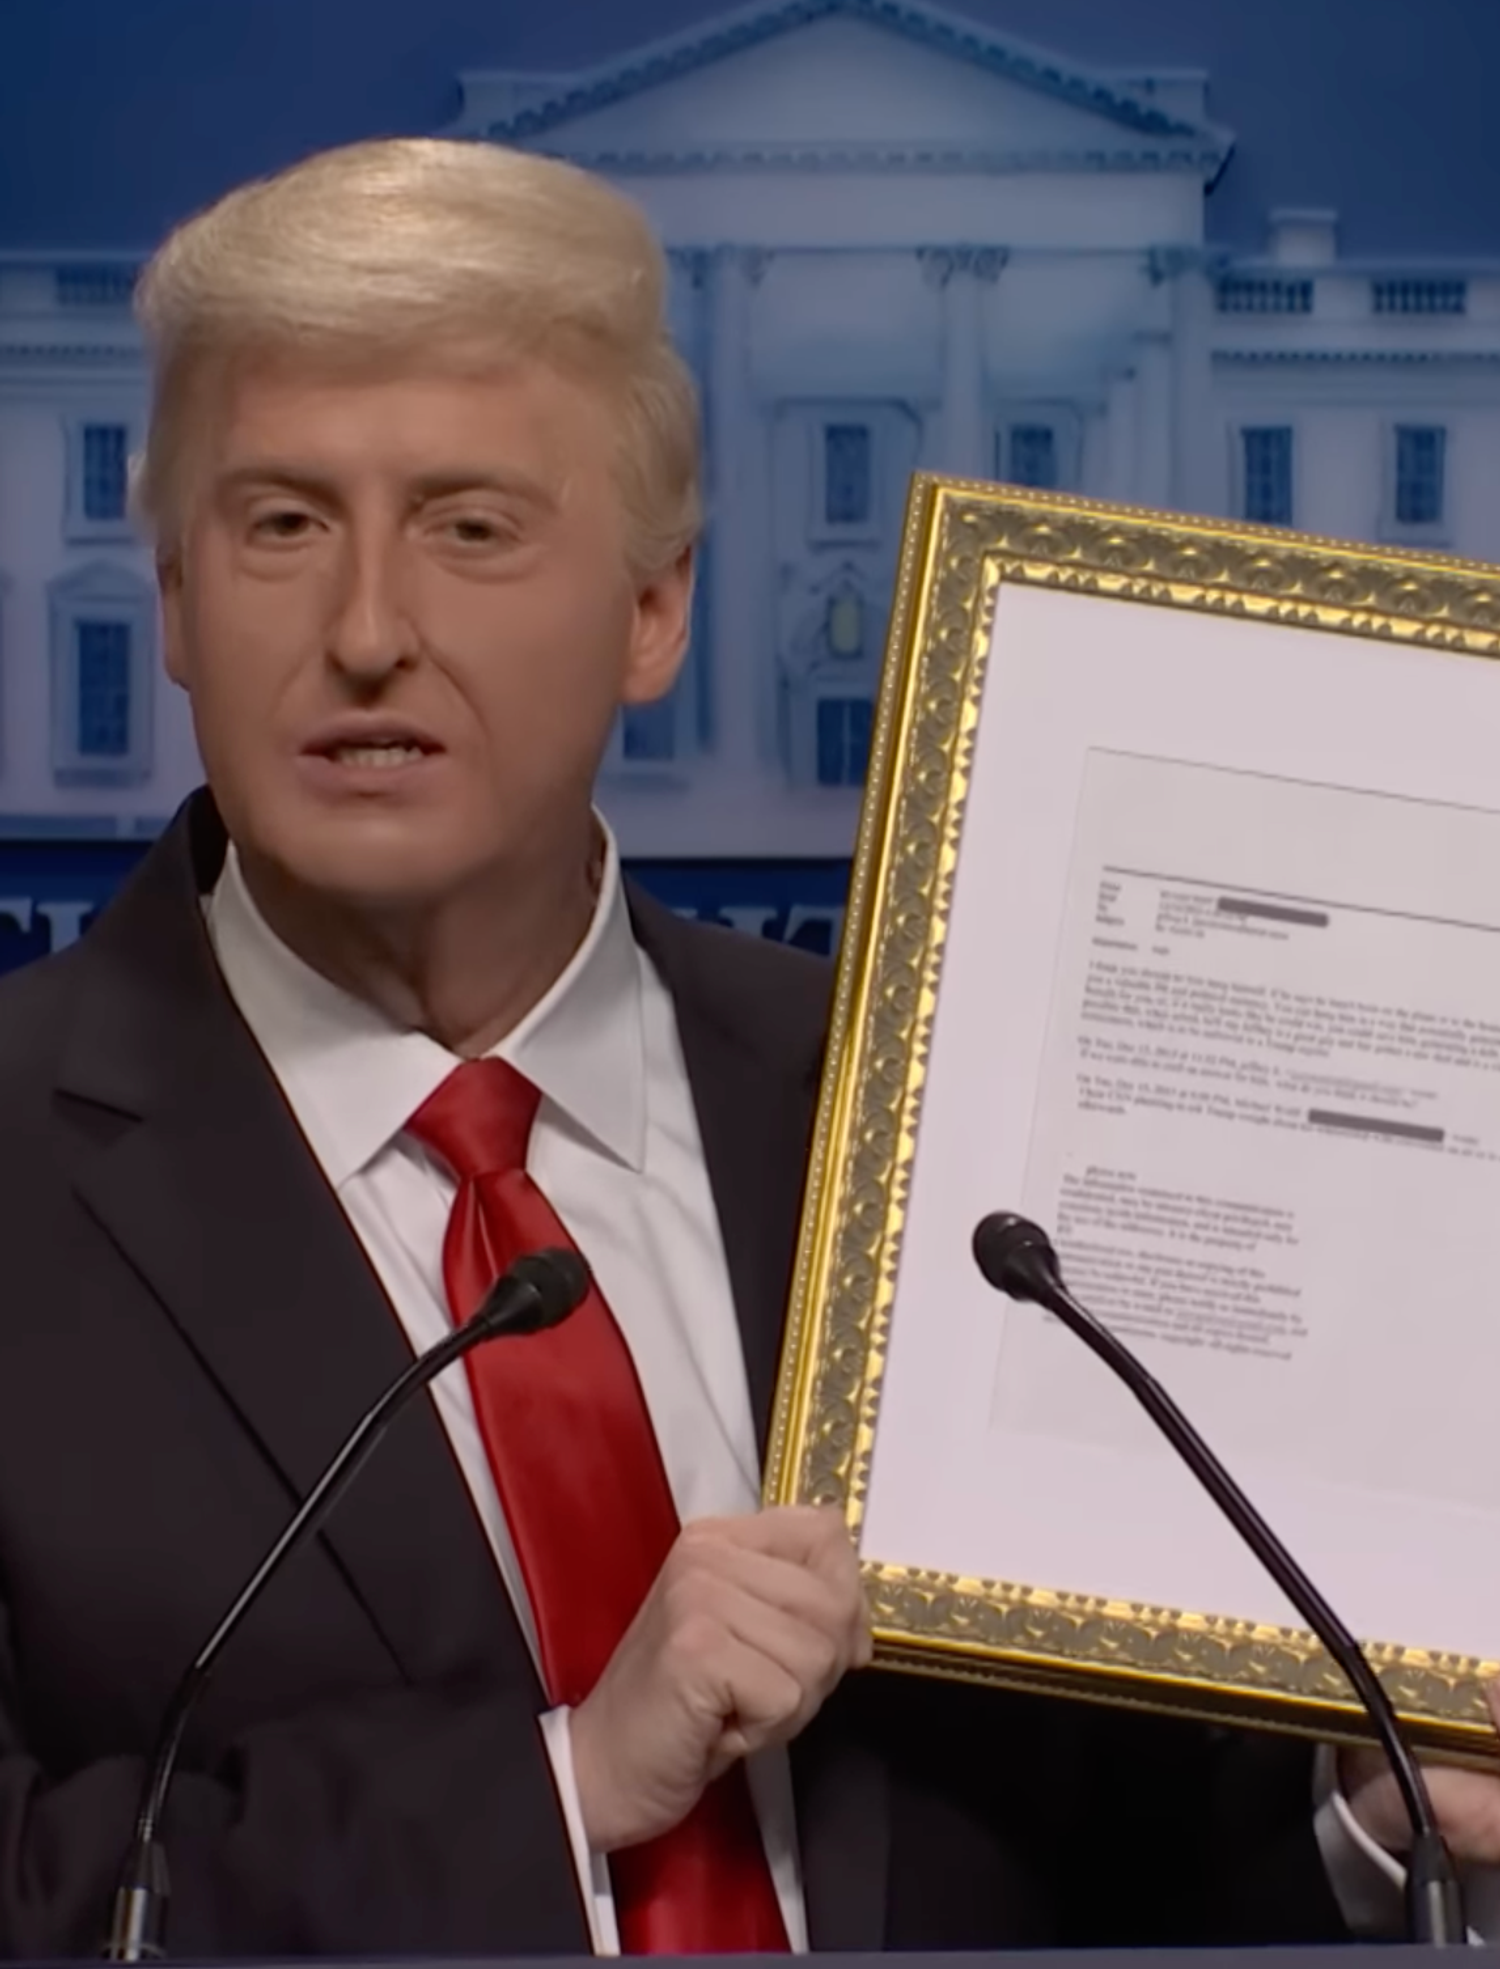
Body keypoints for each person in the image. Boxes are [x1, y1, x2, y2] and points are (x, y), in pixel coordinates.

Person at [0, 135, 1485, 1958]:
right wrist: (561, 1790)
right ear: (170, 601)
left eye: (471, 527)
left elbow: (1122, 1856)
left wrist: (1371, 1818)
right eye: (281, 524)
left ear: (654, 608)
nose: (367, 632)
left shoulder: (945, 1118)